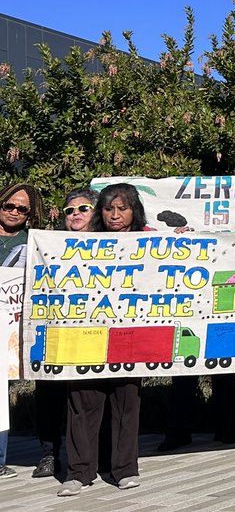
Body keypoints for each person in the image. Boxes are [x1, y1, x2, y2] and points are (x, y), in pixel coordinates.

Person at [59, 183, 149, 496]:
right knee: (82, 402)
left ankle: (124, 470)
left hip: (129, 336)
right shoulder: (86, 241)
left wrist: (182, 237)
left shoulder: (151, 240)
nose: (114, 215)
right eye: (109, 209)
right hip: (87, 335)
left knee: (126, 402)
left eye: (122, 209)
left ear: (134, 211)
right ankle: (79, 472)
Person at [32, 189, 96, 479]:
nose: (75, 214)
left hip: (93, 332)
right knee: (49, 393)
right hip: (56, 331)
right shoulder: (49, 244)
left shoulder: (116, 242)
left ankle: (91, 454)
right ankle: (49, 453)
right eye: (69, 211)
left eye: (83, 208)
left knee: (89, 397)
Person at [1, 182, 44, 480]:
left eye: (22, 209)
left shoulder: (34, 243)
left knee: (0, 395)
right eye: (9, 205)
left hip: (8, 328)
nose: (14, 211)